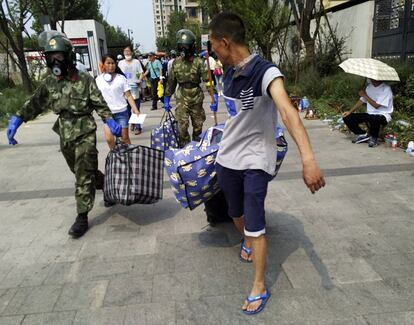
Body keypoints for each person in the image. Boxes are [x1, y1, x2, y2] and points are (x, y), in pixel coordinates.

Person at [208, 13, 325, 315]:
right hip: (227, 159)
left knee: (256, 221)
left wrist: (308, 159)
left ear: (225, 42)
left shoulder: (266, 72)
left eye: (213, 45)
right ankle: (248, 239)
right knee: (236, 214)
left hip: (257, 160)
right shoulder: (229, 72)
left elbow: (287, 112)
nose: (212, 52)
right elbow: (235, 117)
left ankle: (259, 285)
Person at [6, 33, 122, 239]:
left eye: (59, 56)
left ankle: (82, 217)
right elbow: (36, 102)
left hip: (85, 130)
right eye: (51, 57)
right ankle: (105, 184)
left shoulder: (84, 79)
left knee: (82, 174)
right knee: (81, 170)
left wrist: (109, 120)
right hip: (64, 132)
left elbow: (99, 103)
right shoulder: (50, 82)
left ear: (68, 57)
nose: (55, 61)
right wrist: (18, 119)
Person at [164, 29, 214, 146]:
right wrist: (167, 97)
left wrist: (214, 95)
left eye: (185, 47)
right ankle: (184, 149)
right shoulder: (176, 63)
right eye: (181, 47)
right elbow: (171, 81)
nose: (183, 50)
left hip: (196, 97)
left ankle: (197, 147)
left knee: (198, 125)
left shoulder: (199, 62)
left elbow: (207, 80)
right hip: (182, 97)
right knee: (182, 126)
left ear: (191, 47)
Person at [96, 54, 140, 149]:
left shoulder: (121, 78)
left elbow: (128, 95)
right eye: (108, 63)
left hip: (121, 113)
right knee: (109, 139)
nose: (111, 66)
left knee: (124, 139)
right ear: (103, 64)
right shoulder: (98, 80)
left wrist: (135, 110)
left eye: (113, 63)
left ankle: (129, 156)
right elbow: (95, 98)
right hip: (107, 115)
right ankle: (115, 157)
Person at [342, 79, 393, 147]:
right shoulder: (369, 87)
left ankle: (374, 138)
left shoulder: (386, 89)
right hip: (370, 114)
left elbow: (376, 106)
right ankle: (362, 134)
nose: (371, 79)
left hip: (383, 115)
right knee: (347, 117)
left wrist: (364, 95)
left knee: (375, 118)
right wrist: (350, 111)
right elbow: (361, 101)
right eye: (371, 78)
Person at [118, 46, 143, 135]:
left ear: (132, 52)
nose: (127, 53)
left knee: (136, 108)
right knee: (127, 110)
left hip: (135, 88)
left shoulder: (136, 62)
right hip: (124, 90)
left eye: (128, 51)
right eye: (125, 51)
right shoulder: (120, 63)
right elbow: (118, 75)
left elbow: (141, 73)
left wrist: (139, 80)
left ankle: (138, 127)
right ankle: (132, 122)